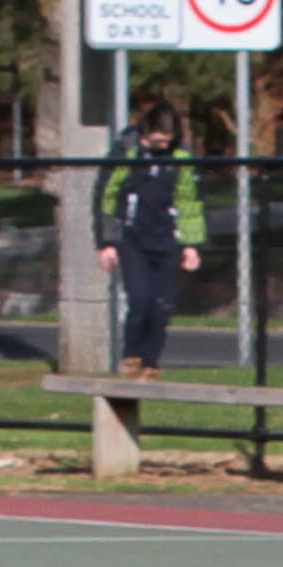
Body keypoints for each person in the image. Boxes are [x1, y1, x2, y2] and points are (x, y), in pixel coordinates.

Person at [95, 100, 205, 379]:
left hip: (167, 239)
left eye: (167, 141)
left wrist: (191, 244)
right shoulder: (127, 152)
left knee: (162, 305)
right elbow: (107, 195)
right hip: (133, 239)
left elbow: (189, 200)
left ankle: (151, 362)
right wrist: (107, 241)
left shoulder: (180, 157)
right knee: (140, 300)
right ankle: (131, 355)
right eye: (157, 140)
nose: (162, 146)